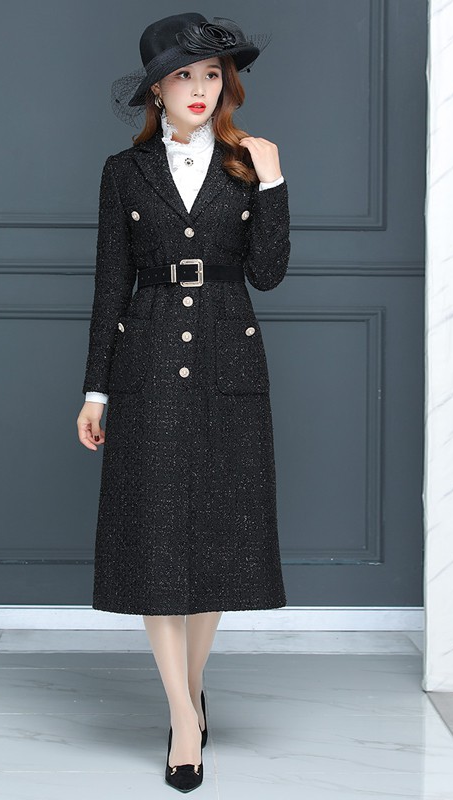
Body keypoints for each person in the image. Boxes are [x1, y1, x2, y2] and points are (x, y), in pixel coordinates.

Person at [77, 12, 291, 792]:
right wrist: (96, 389)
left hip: (231, 359)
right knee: (156, 540)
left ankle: (188, 694)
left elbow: (268, 273)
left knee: (219, 540)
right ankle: (185, 718)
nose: (199, 89)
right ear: (156, 90)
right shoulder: (123, 173)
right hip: (149, 359)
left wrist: (274, 181)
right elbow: (110, 286)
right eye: (182, 76)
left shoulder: (248, 163)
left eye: (210, 75)